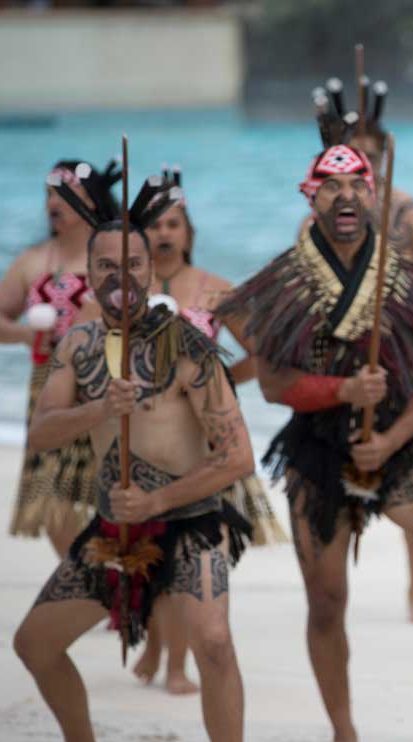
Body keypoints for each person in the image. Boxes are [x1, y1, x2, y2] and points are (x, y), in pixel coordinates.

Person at [219, 144, 413, 742]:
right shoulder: (287, 279)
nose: (344, 196)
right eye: (329, 186)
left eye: (354, 186)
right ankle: (343, 732)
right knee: (326, 600)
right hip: (316, 450)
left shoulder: (404, 276)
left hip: (394, 445)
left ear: (374, 196)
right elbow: (272, 382)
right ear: (310, 198)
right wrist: (341, 389)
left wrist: (394, 438)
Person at [12, 176, 253, 742]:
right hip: (116, 530)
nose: (120, 276)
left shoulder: (189, 347)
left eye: (134, 264)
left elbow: (237, 457)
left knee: (215, 641)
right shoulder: (80, 344)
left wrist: (158, 501)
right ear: (89, 271)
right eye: (106, 266)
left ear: (152, 269)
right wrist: (97, 409)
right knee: (34, 644)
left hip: (192, 519)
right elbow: (40, 435)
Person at [312, 73, 413, 623]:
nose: (362, 170)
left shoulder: (411, 217)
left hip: (412, 366)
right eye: (349, 159)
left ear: (383, 158)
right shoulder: (320, 221)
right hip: (345, 372)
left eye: (370, 159)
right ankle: (332, 582)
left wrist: (397, 286)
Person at [131, 167, 288, 695]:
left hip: (208, 443)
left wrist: (219, 380)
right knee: (142, 552)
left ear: (188, 232)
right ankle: (155, 640)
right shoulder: (125, 293)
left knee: (190, 558)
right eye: (154, 224)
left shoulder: (216, 289)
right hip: (145, 440)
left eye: (173, 223)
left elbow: (261, 353)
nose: (164, 233)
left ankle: (177, 662)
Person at [2, 160, 120, 555]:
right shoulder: (32, 262)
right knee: (53, 498)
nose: (54, 203)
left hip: (106, 388)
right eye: (50, 193)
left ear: (92, 201)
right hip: (48, 387)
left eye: (66, 195)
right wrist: (27, 334)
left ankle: (118, 585)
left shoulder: (117, 256)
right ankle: (89, 580)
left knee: (111, 493)